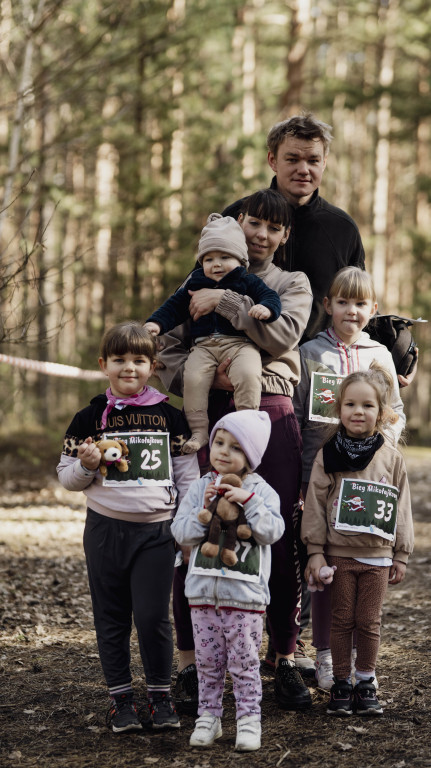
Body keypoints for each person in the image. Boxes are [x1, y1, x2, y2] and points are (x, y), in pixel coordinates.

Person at [156, 188, 314, 712]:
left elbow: (284, 335)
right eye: (254, 224)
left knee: (275, 528)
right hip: (211, 417)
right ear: (237, 224)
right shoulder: (199, 274)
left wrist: (224, 303)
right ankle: (190, 665)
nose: (262, 235)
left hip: (269, 408)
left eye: (274, 228)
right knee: (199, 525)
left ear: (284, 236)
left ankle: (283, 657)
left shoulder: (292, 282)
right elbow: (168, 352)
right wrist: (204, 371)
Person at [56, 322, 200, 733]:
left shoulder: (170, 417)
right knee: (112, 616)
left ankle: (160, 697)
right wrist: (85, 466)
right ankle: (120, 700)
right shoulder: (88, 417)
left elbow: (188, 478)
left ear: (153, 366)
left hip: (157, 533)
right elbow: (66, 477)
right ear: (104, 365)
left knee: (155, 616)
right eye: (119, 360)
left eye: (139, 360)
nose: (129, 368)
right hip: (104, 531)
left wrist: (186, 530)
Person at [293, 266, 406, 689]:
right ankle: (325, 653)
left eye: (360, 304)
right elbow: (297, 414)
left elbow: (394, 410)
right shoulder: (309, 353)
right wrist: (303, 474)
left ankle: (360, 661)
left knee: (362, 571)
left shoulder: (380, 356)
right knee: (323, 568)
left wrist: (383, 446)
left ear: (372, 309)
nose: (351, 311)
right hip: (320, 476)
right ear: (328, 306)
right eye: (342, 301)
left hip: (366, 483)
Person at [301, 364, 414, 716]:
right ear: (339, 408)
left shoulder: (391, 458)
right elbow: (316, 504)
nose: (358, 411)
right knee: (341, 620)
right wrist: (315, 552)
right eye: (350, 404)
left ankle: (366, 681)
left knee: (368, 620)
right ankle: (341, 683)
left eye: (367, 405)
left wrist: (402, 552)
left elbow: (402, 504)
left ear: (381, 413)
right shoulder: (327, 454)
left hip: (377, 557)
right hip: (338, 554)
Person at [171, 410, 285, 750]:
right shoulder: (198, 487)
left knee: (245, 662)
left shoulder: (262, 491)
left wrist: (249, 503)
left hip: (245, 598)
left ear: (250, 456)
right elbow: (179, 531)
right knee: (208, 663)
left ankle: (249, 720)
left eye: (235, 447)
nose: (223, 451)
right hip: (203, 595)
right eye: (219, 442)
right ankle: (209, 717)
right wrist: (200, 510)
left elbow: (272, 532)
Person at [222, 112, 365, 343]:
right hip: (236, 358)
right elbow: (198, 284)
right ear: (272, 161)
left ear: (324, 163)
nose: (303, 169)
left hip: (317, 365)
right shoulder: (237, 216)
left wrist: (395, 350)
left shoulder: (342, 229)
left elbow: (360, 300)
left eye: (313, 160)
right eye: (292, 159)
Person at [144, 213, 281, 454]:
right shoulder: (196, 282)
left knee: (249, 373)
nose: (215, 264)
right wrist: (156, 323)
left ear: (240, 260)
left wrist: (266, 309)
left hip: (240, 344)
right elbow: (173, 308)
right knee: (193, 379)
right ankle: (198, 431)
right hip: (204, 346)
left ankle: (247, 422)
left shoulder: (247, 281)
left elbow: (270, 297)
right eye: (208, 259)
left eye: (224, 257)